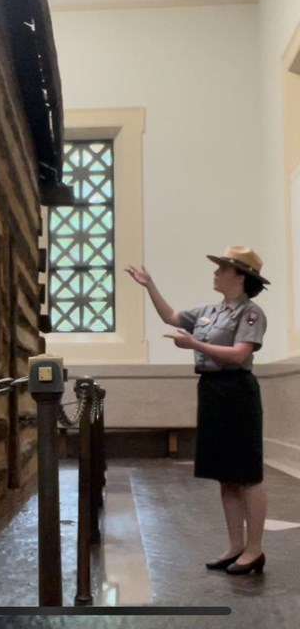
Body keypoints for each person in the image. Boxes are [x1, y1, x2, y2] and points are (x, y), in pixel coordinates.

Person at [125, 246, 269, 575]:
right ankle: (235, 545)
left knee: (248, 473)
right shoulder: (210, 311)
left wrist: (195, 345)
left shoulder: (250, 313)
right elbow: (171, 318)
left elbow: (238, 355)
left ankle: (255, 549)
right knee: (226, 474)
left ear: (240, 276)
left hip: (237, 391)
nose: (216, 272)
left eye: (223, 268)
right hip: (212, 390)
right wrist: (150, 286)